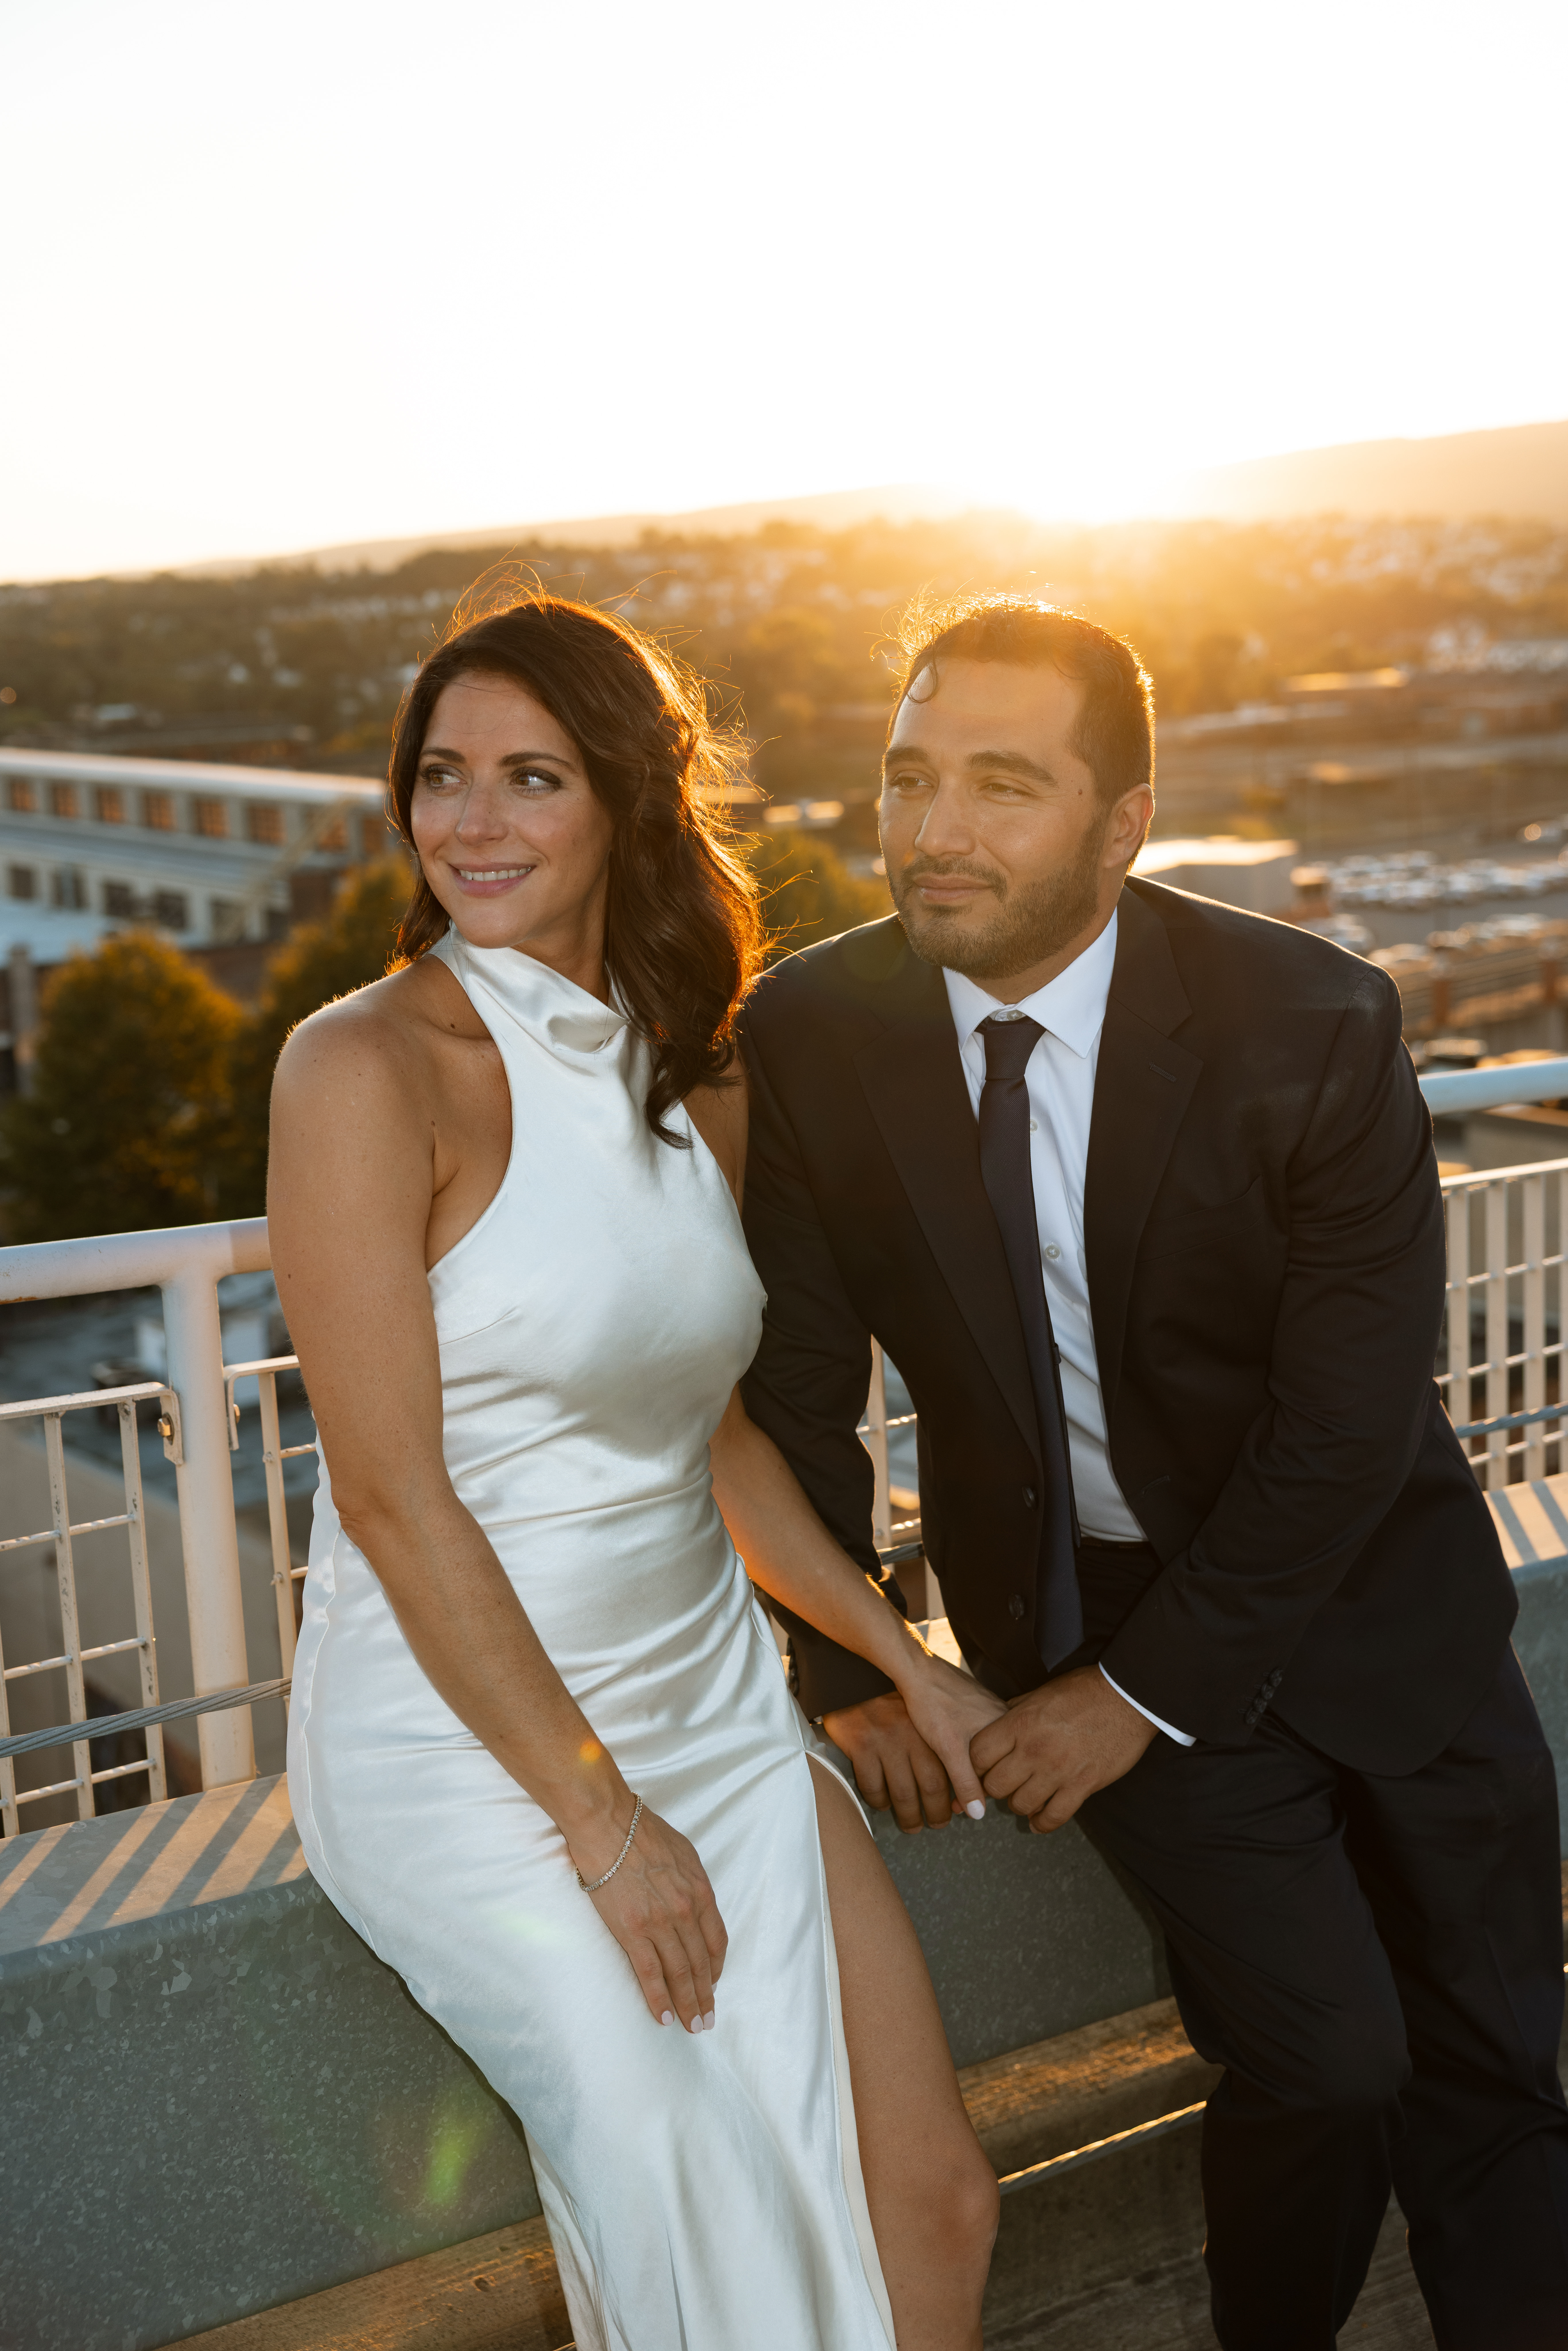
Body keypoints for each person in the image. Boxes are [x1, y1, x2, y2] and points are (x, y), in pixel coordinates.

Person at [739, 594, 1568, 2351]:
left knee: (1496, 2068)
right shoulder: (815, 1027)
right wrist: (849, 1659)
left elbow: (1346, 1418)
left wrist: (1134, 1699)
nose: (933, 828)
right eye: (906, 775)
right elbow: (795, 1390)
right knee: (1329, 2061)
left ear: (1122, 826)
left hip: (1374, 1601)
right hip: (1084, 1609)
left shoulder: (1311, 1018)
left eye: (1001, 784)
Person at [268, 593, 1002, 2351]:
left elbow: (714, 1437)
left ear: (625, 802)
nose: (472, 822)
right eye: (441, 776)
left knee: (932, 2203)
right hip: (471, 1754)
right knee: (702, 2215)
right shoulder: (359, 1069)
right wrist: (605, 1831)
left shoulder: (696, 1074)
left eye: (531, 777)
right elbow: (389, 1500)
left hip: (713, 1705)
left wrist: (903, 1662)